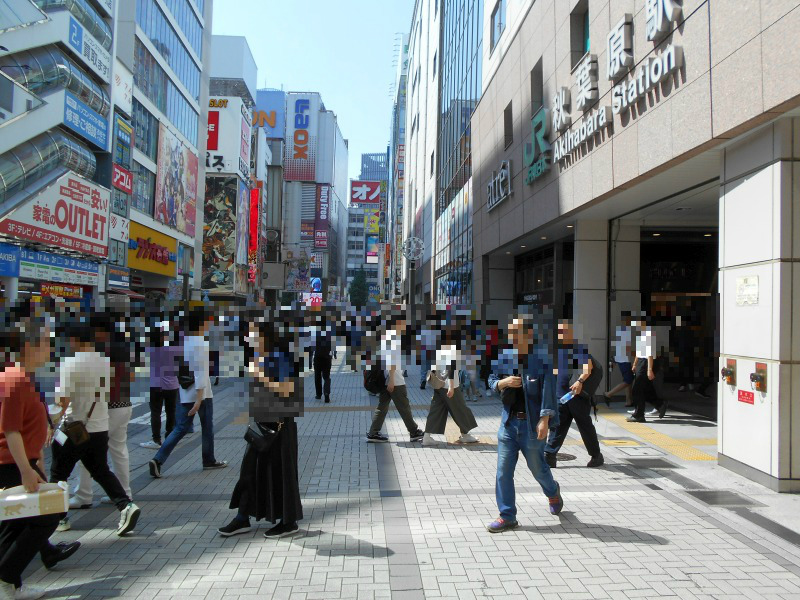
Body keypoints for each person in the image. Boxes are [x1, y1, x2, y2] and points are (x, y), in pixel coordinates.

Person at [0, 307, 79, 600]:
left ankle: (12, 585)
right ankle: (6, 578)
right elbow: (10, 430)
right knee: (46, 517)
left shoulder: (24, 376)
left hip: (22, 462)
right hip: (11, 465)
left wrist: (34, 464)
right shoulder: (15, 378)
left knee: (15, 525)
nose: (49, 347)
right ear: (29, 345)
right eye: (46, 341)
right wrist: (26, 469)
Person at [49, 316, 140, 537]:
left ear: (74, 340)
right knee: (101, 470)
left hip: (73, 428)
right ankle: (126, 505)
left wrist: (52, 422)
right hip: (99, 426)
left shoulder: (69, 363)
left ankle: (60, 518)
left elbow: (63, 400)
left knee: (58, 474)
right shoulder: (104, 362)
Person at [218, 317, 303, 539]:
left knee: (281, 473)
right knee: (249, 470)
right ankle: (242, 517)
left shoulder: (280, 357)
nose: (248, 338)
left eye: (253, 334)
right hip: (261, 424)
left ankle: (288, 521)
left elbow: (288, 391)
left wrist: (262, 376)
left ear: (266, 335)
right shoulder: (258, 357)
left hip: (280, 426)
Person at [486, 314, 563, 533]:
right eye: (510, 333)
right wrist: (503, 382)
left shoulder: (542, 360)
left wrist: (545, 420)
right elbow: (491, 381)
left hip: (531, 426)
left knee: (538, 469)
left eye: (516, 333)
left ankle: (553, 492)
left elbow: (549, 391)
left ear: (528, 334)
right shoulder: (505, 356)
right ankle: (507, 516)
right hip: (508, 425)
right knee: (503, 472)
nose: (512, 337)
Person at [149, 308, 227, 478]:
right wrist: (199, 399)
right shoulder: (200, 342)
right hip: (201, 393)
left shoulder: (184, 341)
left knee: (180, 428)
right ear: (201, 323)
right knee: (207, 427)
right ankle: (209, 459)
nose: (209, 324)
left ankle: (158, 459)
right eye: (207, 321)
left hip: (185, 390)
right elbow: (200, 371)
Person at [72, 312, 135, 508]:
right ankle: (125, 491)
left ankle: (83, 495)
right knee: (119, 450)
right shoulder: (123, 346)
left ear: (99, 330)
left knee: (85, 451)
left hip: (105, 409)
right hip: (124, 404)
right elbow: (131, 377)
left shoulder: (99, 351)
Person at [544, 320, 604, 469]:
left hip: (576, 397)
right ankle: (550, 456)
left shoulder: (578, 348)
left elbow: (587, 368)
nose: (561, 334)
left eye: (564, 331)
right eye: (559, 332)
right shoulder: (559, 350)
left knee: (585, 427)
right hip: (562, 396)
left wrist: (580, 381)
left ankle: (596, 455)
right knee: (557, 426)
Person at [366, 312, 424, 443]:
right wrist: (392, 380)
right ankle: (414, 431)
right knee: (404, 407)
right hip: (394, 380)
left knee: (382, 406)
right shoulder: (394, 337)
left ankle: (373, 432)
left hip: (387, 379)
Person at [422, 325, 478, 446]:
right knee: (461, 409)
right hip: (449, 385)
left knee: (436, 410)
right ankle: (465, 434)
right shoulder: (453, 347)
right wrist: (452, 387)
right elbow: (452, 368)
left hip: (439, 384)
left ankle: (426, 436)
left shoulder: (438, 346)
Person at [140, 317, 179, 449]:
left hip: (156, 385)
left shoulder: (150, 349)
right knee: (171, 411)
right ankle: (170, 436)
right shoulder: (174, 348)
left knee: (156, 412)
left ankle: (156, 439)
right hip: (172, 385)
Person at [628, 317, 667, 422]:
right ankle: (660, 404)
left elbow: (649, 354)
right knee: (645, 389)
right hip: (641, 362)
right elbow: (639, 351)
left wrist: (649, 369)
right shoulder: (642, 335)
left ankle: (639, 415)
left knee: (637, 389)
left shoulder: (649, 335)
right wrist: (635, 364)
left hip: (646, 363)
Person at [604, 312, 634, 407]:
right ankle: (609, 394)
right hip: (625, 359)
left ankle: (628, 401)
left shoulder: (620, 331)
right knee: (628, 380)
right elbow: (627, 347)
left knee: (628, 380)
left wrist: (613, 360)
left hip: (620, 359)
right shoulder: (626, 331)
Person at [311, 316, 334, 403]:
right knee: (326, 377)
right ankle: (327, 393)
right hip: (327, 357)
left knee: (317, 376)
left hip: (317, 357)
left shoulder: (315, 333)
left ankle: (318, 394)